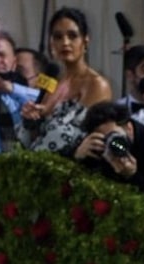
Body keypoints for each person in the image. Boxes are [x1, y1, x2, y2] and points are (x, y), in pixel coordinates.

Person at [18, 7, 112, 155]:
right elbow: (38, 137)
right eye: (58, 37)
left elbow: (93, 139)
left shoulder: (97, 84)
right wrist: (32, 120)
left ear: (85, 40)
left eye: (72, 36)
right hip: (37, 163)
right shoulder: (52, 80)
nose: (65, 42)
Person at [72, 101, 144, 198]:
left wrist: (132, 176)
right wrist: (77, 157)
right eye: (105, 139)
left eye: (113, 135)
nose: (112, 143)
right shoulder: (97, 147)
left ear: (129, 127)